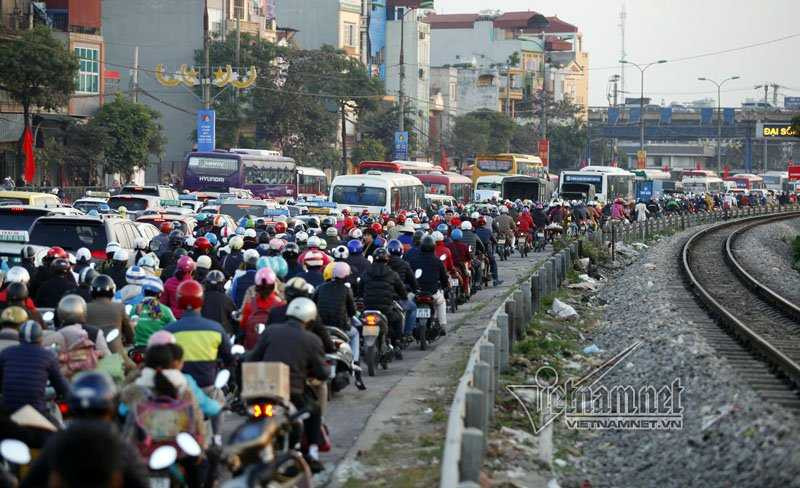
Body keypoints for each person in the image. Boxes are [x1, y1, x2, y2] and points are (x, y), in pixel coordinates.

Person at [21, 371, 150, 488]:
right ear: (111, 407)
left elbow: (30, 482)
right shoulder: (120, 446)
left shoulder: (57, 443)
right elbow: (141, 482)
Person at [244, 297, 329, 473]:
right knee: (314, 410)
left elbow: (252, 357)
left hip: (261, 387)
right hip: (291, 391)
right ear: (310, 318)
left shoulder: (271, 331)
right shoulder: (312, 339)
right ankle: (312, 454)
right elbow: (322, 372)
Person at [165, 280, 233, 390]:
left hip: (179, 390)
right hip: (208, 389)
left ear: (178, 301)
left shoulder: (168, 331)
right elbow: (229, 358)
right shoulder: (216, 329)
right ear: (201, 300)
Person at [0, 321, 70, 416]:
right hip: (36, 411)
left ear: (19, 337)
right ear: (40, 338)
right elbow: (61, 386)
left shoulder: (6, 353)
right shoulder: (48, 356)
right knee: (57, 428)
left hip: (8, 411)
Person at [359, 248, 407, 358]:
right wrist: (403, 297)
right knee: (399, 318)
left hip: (368, 307)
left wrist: (362, 296)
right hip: (386, 309)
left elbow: (360, 289)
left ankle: (362, 344)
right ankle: (397, 344)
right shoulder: (392, 273)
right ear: (386, 260)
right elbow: (401, 289)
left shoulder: (366, 272)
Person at [405, 235, 449, 334]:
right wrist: (445, 287)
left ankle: (406, 330)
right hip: (432, 293)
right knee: (441, 302)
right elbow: (444, 278)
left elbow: (408, 277)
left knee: (406, 306)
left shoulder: (413, 261)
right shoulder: (438, 261)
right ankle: (442, 325)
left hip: (416, 293)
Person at [86, 275, 133, 360]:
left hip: (91, 355)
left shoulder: (85, 308)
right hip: (115, 355)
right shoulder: (119, 307)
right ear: (112, 291)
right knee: (134, 370)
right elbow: (129, 332)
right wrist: (129, 340)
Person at [239, 268, 284, 349]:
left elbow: (243, 326)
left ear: (256, 286)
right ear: (274, 285)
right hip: (273, 351)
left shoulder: (249, 305)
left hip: (251, 351)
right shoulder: (281, 306)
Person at [386, 239, 419, 338]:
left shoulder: (384, 264)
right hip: (398, 297)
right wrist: (415, 288)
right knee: (413, 308)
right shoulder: (404, 264)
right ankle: (408, 333)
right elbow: (413, 281)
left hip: (385, 297)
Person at [132, 277, 175, 347]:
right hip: (158, 348)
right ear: (160, 294)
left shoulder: (134, 308)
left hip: (137, 347)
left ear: (143, 291)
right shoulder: (165, 310)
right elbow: (174, 328)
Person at [201, 270, 236, 336]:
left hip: (203, 333)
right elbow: (234, 318)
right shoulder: (226, 299)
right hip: (221, 334)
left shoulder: (200, 298)